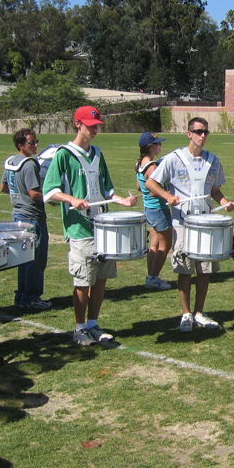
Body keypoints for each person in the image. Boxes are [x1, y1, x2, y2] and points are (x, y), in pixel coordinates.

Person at [42, 106, 138, 346]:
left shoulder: (97, 153)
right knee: (83, 280)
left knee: (101, 279)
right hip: (79, 228)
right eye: (89, 125)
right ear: (77, 124)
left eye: (97, 126)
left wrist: (122, 201)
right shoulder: (63, 154)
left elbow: (107, 190)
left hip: (103, 226)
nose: (94, 129)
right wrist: (71, 199)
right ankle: (79, 327)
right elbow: (49, 191)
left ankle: (93, 324)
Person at [146, 118, 234, 332]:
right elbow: (151, 183)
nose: (202, 135)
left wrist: (224, 202)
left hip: (206, 222)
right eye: (198, 131)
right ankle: (186, 314)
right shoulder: (174, 158)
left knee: (205, 270)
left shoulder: (212, 160)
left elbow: (214, 190)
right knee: (184, 270)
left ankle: (199, 312)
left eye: (205, 132)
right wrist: (167, 195)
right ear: (189, 133)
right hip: (182, 222)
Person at [0, 128, 52, 310]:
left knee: (23, 258)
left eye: (36, 141)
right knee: (36, 259)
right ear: (21, 145)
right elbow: (34, 194)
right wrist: (53, 196)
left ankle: (22, 295)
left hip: (17, 214)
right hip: (32, 216)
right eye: (32, 143)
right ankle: (31, 297)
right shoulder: (29, 164)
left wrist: (19, 195)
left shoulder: (11, 161)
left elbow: (3, 188)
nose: (36, 145)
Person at [136, 132, 172, 292]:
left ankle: (151, 276)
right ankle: (153, 277)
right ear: (150, 147)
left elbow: (139, 187)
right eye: (157, 143)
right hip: (158, 208)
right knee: (165, 245)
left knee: (154, 244)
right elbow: (153, 189)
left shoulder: (140, 164)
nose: (160, 146)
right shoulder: (152, 167)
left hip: (149, 208)